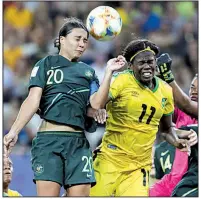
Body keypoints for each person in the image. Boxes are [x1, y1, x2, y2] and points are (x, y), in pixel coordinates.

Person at [3, 17, 126, 197]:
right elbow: (33, 99)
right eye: (77, 38)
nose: (82, 44)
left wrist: (108, 72)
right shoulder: (46, 64)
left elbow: (97, 103)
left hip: (78, 142)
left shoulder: (88, 71)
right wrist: (14, 131)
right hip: (49, 140)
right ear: (62, 39)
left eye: (85, 40)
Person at [90, 39, 192, 196]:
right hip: (110, 160)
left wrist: (177, 141)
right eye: (141, 62)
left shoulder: (165, 90)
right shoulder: (122, 80)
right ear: (131, 66)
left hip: (139, 167)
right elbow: (96, 104)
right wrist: (109, 73)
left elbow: (165, 130)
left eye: (150, 61)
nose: (147, 66)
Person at [151, 53, 198, 197]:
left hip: (192, 179)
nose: (194, 91)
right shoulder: (182, 112)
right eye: (192, 87)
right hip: (172, 179)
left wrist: (167, 75)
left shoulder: (190, 108)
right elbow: (161, 112)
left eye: (198, 87)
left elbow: (185, 104)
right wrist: (156, 76)